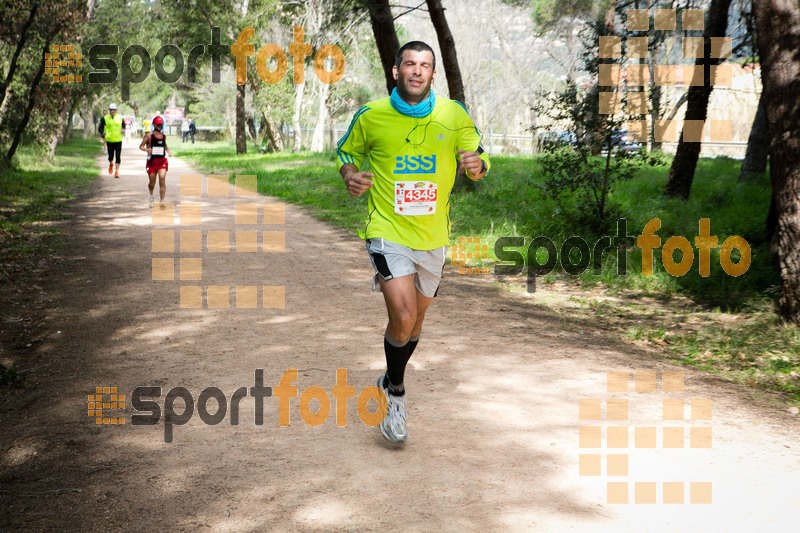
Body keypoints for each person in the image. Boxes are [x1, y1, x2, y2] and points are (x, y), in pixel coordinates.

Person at [336, 41, 489, 444]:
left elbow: (478, 156)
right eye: (409, 64)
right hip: (387, 231)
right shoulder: (372, 115)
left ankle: (389, 376)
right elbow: (346, 152)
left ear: (432, 74)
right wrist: (349, 174)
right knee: (402, 316)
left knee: (416, 322)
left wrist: (478, 165)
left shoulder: (452, 115)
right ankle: (398, 397)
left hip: (433, 238)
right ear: (396, 71)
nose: (417, 71)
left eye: (424, 65)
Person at [140, 115, 172, 208]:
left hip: (162, 161)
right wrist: (146, 150)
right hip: (152, 162)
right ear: (153, 124)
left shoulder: (163, 136)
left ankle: (162, 201)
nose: (159, 126)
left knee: (162, 180)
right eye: (158, 125)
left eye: (161, 125)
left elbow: (164, 145)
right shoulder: (149, 136)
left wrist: (168, 151)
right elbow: (141, 146)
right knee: (152, 183)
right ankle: (151, 196)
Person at [99, 103, 124, 178]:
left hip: (118, 139)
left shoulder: (120, 117)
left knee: (118, 156)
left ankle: (116, 171)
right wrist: (102, 132)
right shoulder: (105, 118)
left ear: (116, 110)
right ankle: (111, 164)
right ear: (109, 110)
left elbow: (124, 125)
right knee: (110, 156)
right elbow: (100, 128)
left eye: (114, 110)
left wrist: (123, 129)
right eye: (111, 110)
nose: (113, 111)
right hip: (109, 139)